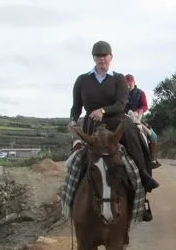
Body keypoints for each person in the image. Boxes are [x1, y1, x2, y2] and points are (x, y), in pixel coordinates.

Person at [68, 41, 159, 198]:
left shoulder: (118, 79)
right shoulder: (82, 80)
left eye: (105, 55)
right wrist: (73, 121)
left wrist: (103, 111)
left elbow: (120, 104)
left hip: (116, 120)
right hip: (92, 123)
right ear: (93, 58)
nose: (101, 58)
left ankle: (143, 173)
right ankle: (71, 192)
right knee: (77, 156)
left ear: (111, 57)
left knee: (135, 137)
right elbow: (76, 106)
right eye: (98, 56)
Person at [124, 74, 160, 168]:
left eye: (129, 83)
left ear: (133, 82)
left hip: (137, 119)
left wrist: (137, 112)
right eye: (126, 84)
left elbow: (145, 106)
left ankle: (152, 158)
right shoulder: (121, 94)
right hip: (124, 119)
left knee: (153, 136)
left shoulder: (140, 93)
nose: (128, 85)